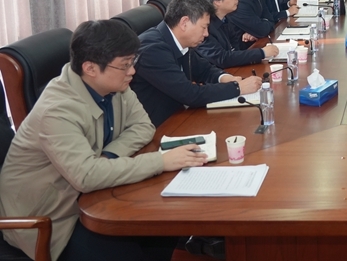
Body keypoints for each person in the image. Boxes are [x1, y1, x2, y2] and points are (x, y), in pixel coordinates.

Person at [0, 20, 208, 261]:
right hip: (50, 218)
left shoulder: (114, 85)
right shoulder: (56, 110)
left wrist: (108, 156)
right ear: (90, 68)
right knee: (128, 251)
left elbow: (143, 126)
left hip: (90, 196)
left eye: (133, 61)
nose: (132, 71)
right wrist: (160, 161)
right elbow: (87, 176)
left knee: (166, 223)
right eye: (125, 65)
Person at [131, 0, 261, 127]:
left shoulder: (177, 39)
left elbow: (204, 69)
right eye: (204, 27)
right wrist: (237, 88)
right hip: (160, 126)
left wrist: (226, 78)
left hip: (180, 115)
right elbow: (189, 93)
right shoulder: (153, 50)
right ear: (184, 23)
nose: (206, 34)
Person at [196, 0, 279, 68]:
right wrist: (262, 53)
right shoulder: (203, 27)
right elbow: (222, 58)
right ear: (217, 1)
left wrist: (248, 37)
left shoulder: (226, 19)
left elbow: (235, 50)